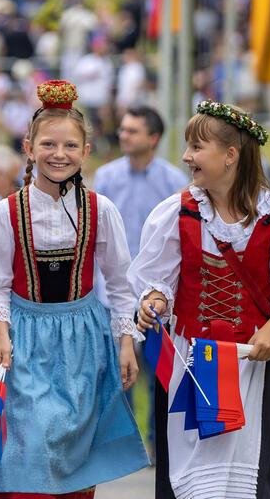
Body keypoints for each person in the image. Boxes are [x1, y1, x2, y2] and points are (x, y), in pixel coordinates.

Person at [130, 99, 270, 498]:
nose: (186, 157)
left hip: (249, 366)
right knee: (187, 476)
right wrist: (151, 304)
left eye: (196, 147)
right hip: (190, 361)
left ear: (230, 156)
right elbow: (159, 281)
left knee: (243, 477)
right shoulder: (178, 213)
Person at [0, 80, 150, 497]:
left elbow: (121, 283)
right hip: (24, 337)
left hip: (82, 339)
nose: (59, 154)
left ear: (86, 151)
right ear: (30, 147)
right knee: (26, 447)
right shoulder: (7, 212)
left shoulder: (100, 209)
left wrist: (126, 342)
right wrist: (1, 335)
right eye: (49, 145)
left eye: (70, 146)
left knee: (72, 453)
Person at [93, 104, 188, 451]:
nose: (124, 135)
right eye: (123, 129)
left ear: (154, 138)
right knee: (119, 370)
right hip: (111, 291)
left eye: (132, 130)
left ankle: (157, 441)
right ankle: (128, 442)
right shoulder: (105, 178)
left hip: (155, 294)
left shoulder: (173, 182)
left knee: (156, 370)